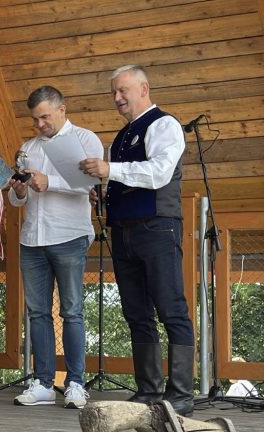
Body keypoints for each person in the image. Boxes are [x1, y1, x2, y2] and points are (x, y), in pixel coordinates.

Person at [80, 65, 195, 416]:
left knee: (171, 307)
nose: (117, 98)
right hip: (124, 229)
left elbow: (159, 172)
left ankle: (180, 395)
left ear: (143, 88)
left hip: (157, 226)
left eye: (122, 91)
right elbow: (124, 178)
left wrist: (109, 170)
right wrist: (104, 193)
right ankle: (148, 390)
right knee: (136, 313)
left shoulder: (164, 125)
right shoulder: (121, 137)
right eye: (114, 93)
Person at [8, 86, 104, 409]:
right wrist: (20, 190)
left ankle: (75, 382)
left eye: (45, 117)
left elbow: (91, 186)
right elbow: (15, 199)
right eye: (35, 119)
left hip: (69, 235)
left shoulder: (86, 140)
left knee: (72, 310)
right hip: (32, 238)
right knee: (37, 312)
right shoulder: (28, 147)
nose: (39, 125)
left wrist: (50, 183)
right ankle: (43, 382)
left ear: (62, 109)